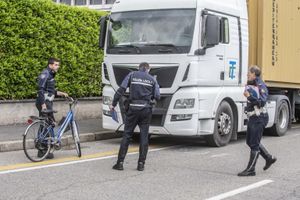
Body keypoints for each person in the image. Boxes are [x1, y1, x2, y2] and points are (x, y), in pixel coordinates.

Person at [110, 62, 160, 171]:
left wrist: (113, 104)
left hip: (132, 109)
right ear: (148, 69)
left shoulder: (132, 75)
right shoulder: (153, 79)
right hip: (146, 110)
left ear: (139, 68)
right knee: (144, 137)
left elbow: (121, 90)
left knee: (127, 135)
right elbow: (157, 96)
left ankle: (120, 163)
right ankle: (141, 164)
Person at [238, 65, 277, 176]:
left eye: (249, 74)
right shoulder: (252, 84)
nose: (247, 75)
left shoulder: (261, 85)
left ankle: (251, 170)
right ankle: (269, 158)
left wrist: (249, 96)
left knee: (254, 144)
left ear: (254, 74)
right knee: (249, 142)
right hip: (253, 117)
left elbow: (262, 101)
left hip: (259, 117)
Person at [36, 58, 68, 159]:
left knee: (47, 124)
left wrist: (61, 93)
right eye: (56, 65)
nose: (58, 66)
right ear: (50, 65)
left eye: (58, 65)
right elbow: (40, 89)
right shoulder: (45, 73)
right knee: (48, 124)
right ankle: (42, 149)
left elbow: (50, 90)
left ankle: (44, 149)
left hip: (48, 102)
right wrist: (43, 104)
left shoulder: (51, 74)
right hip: (45, 102)